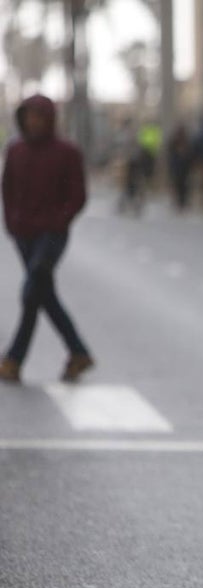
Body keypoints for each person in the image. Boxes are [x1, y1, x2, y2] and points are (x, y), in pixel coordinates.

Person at [0, 95, 94, 384]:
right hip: (24, 234)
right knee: (42, 294)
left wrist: (58, 221)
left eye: (38, 116)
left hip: (51, 235)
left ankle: (14, 358)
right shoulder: (16, 151)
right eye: (29, 116)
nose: (33, 122)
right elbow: (7, 189)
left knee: (33, 291)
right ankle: (77, 352)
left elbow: (77, 195)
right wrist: (12, 223)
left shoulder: (67, 152)